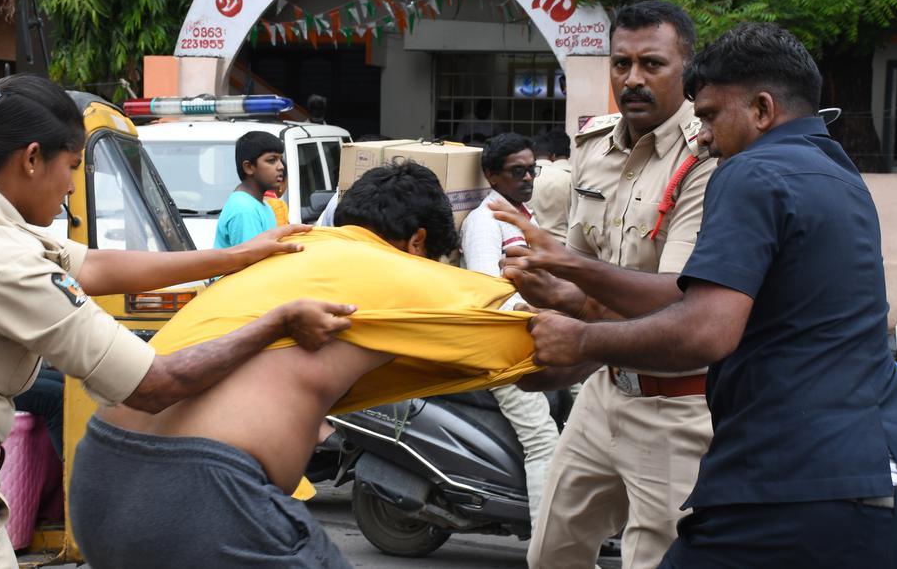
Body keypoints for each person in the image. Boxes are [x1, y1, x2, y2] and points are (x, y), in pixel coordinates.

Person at [0, 75, 355, 569]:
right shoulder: (8, 261)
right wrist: (275, 325)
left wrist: (235, 256)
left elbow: (96, 264)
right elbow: (155, 386)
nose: (73, 184)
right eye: (71, 166)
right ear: (31, 158)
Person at [516, 22, 897, 568]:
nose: (702, 136)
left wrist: (582, 341)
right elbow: (696, 294)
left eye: (711, 116)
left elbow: (704, 327)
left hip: (793, 489)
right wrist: (576, 278)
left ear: (763, 109)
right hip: (883, 488)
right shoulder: (839, 174)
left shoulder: (751, 171)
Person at [70, 162, 541, 568]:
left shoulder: (282, 252)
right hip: (202, 494)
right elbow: (537, 337)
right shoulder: (404, 272)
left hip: (100, 475)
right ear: (418, 242)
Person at [493, 1, 717, 569]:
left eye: (652, 64)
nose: (633, 79)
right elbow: (577, 261)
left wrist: (569, 283)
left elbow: (680, 302)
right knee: (550, 554)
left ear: (686, 71)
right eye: (621, 64)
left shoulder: (708, 159)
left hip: (678, 406)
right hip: (602, 389)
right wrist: (539, 284)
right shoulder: (592, 147)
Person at [459, 132, 559, 523]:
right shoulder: (484, 222)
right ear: (491, 176)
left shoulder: (522, 217)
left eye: (532, 170)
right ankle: (548, 551)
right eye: (518, 172)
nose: (529, 179)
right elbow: (487, 291)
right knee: (542, 440)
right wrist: (530, 305)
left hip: (539, 337)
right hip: (503, 347)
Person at [214, 131, 283, 249]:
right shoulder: (244, 209)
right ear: (249, 167)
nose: (281, 166)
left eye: (280, 160)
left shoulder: (262, 205)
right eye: (272, 160)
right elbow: (252, 262)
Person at [529, 129, 574, 243]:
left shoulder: (526, 178)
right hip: (561, 244)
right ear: (552, 155)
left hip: (532, 243)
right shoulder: (568, 177)